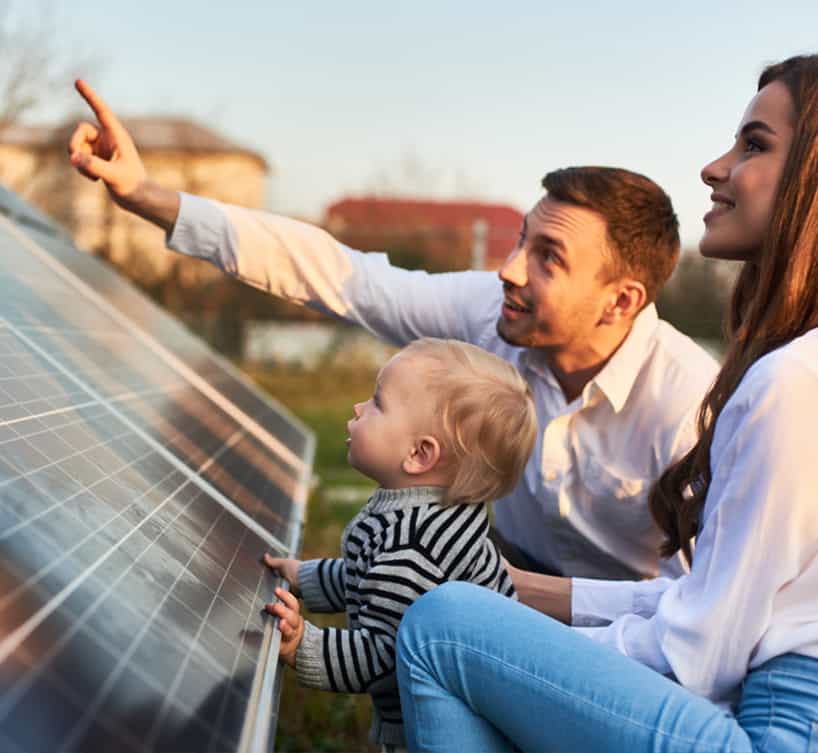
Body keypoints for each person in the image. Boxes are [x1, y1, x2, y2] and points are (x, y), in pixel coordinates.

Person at [67, 80, 718, 583]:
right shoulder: (492, 312)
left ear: (619, 300)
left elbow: (702, 610)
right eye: (522, 239)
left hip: (630, 637)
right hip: (507, 577)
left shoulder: (690, 404)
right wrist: (147, 196)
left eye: (549, 256)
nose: (510, 268)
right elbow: (341, 275)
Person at [393, 53, 818, 752]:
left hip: (772, 731)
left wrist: (525, 655)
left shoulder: (784, 385)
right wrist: (514, 592)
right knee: (469, 613)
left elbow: (700, 654)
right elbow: (710, 601)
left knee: (441, 628)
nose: (715, 167)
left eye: (754, 144)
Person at [258, 337, 536, 748]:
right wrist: (305, 577)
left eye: (377, 403)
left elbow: (385, 656)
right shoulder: (431, 512)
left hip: (443, 726)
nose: (358, 409)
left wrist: (305, 646)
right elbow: (366, 576)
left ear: (419, 455)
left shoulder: (412, 549)